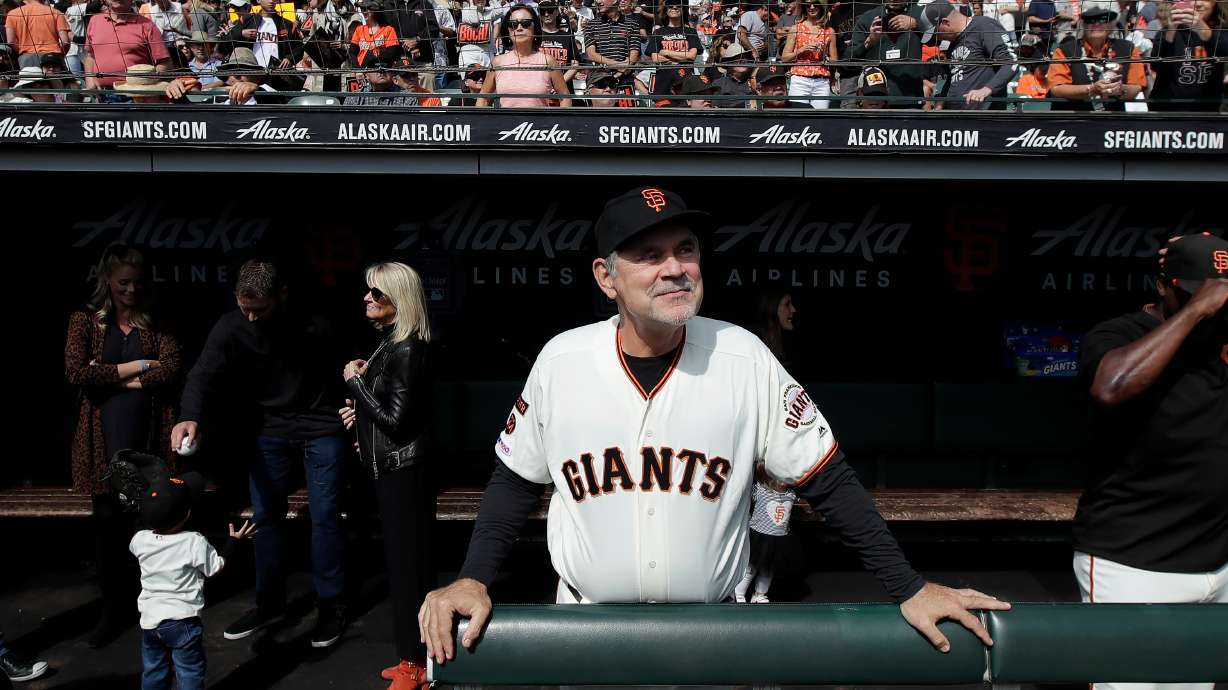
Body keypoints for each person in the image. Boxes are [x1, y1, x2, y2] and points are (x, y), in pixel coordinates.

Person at [417, 186, 1011, 666]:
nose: (675, 269)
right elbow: (516, 482)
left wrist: (908, 587)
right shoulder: (561, 360)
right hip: (586, 628)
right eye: (649, 256)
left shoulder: (743, 354)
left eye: (685, 249)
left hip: (716, 632)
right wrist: (472, 577)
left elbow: (825, 478)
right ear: (606, 278)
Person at [170, 259, 349, 650]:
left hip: (320, 427)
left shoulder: (314, 323)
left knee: (324, 519)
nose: (251, 316)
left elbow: (346, 368)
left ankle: (330, 606)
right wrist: (188, 417)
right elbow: (201, 374)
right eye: (244, 306)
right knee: (266, 517)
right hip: (269, 431)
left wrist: (352, 409)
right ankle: (269, 603)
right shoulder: (231, 326)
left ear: (281, 295)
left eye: (260, 308)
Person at [1077, 233, 1228, 690]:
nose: (1215, 300)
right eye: (1196, 288)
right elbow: (1112, 385)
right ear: (1163, 285)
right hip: (1135, 565)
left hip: (1217, 564)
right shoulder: (1120, 333)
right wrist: (1195, 310)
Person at [65, 244, 182, 649]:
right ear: (108, 282)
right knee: (108, 531)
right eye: (123, 284)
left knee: (150, 527)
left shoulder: (156, 321)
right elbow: (77, 372)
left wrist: (112, 376)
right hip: (103, 444)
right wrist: (139, 365)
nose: (130, 290)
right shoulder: (86, 321)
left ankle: (153, 611)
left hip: (147, 441)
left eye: (136, 282)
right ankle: (113, 612)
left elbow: (171, 368)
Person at [337, 264, 436, 690]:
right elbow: (385, 414)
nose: (367, 299)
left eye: (376, 293)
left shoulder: (407, 348)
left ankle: (418, 665)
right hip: (393, 470)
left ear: (398, 299)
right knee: (402, 569)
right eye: (367, 292)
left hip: (405, 474)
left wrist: (356, 386)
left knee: (409, 571)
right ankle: (412, 659)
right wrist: (357, 414)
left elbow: (396, 421)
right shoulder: (389, 344)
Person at [131, 470, 254, 690]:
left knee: (154, 670)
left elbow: (143, 531)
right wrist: (233, 542)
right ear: (187, 514)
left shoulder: (139, 540)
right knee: (189, 671)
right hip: (182, 620)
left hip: (150, 621)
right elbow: (215, 568)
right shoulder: (194, 542)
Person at [920, 0, 1016, 109]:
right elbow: (952, 77)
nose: (937, 39)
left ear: (946, 22)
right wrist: (940, 104)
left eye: (936, 33)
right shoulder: (952, 42)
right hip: (956, 118)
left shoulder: (984, 26)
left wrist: (986, 90)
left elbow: (1011, 63)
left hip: (983, 118)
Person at [1046, 7, 1145, 109]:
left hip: (1113, 119)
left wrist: (1120, 89)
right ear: (1083, 25)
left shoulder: (1128, 49)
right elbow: (1056, 88)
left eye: (1103, 20)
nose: (1096, 24)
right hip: (1074, 119)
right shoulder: (1065, 50)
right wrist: (1091, 89)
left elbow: (1136, 87)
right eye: (1090, 20)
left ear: (1111, 25)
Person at [478, 4, 572, 106]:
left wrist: (559, 121)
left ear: (535, 28)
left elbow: (565, 97)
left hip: (540, 122)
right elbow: (483, 98)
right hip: (507, 122)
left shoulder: (548, 61)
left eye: (525, 23)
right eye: (513, 24)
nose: (519, 28)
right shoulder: (497, 63)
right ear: (507, 30)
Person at [1149, 0, 1228, 111]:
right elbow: (1156, 65)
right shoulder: (1167, 32)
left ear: (1215, 3)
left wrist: (1204, 30)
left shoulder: (1222, 30)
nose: (1199, 3)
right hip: (1167, 111)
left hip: (1207, 114)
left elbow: (1224, 51)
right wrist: (1171, 30)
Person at [734, 463, 797, 603]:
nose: (782, 482)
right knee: (751, 565)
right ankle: (739, 592)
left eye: (787, 478)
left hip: (779, 537)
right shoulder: (761, 490)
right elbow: (745, 490)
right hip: (758, 535)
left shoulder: (791, 495)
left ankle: (759, 594)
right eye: (779, 477)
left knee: (768, 568)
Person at [845, 0, 925, 107]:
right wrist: (869, 41)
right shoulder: (868, 18)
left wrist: (916, 24)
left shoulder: (920, 12)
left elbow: (944, 37)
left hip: (910, 99)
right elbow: (846, 61)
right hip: (875, 100)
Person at [83, 0, 173, 91]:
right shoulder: (94, 21)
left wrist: (148, 85)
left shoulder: (147, 25)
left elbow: (165, 62)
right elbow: (90, 57)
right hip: (102, 95)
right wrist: (90, 82)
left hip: (136, 96)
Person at [781, 0, 836, 107]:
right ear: (804, 8)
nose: (811, 7)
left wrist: (826, 56)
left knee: (820, 119)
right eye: (808, 5)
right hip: (799, 79)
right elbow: (784, 58)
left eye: (815, 4)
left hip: (821, 81)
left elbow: (835, 60)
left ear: (821, 7)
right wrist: (801, 50)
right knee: (798, 118)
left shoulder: (829, 31)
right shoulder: (796, 29)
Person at [224, 0, 302, 70]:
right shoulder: (247, 20)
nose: (271, 1)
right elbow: (225, 43)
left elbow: (299, 47)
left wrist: (290, 58)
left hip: (275, 72)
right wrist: (241, 33)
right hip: (250, 71)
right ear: (258, 1)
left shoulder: (286, 24)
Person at [647, 0, 701, 100]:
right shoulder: (658, 32)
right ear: (666, 10)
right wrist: (682, 58)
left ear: (683, 10)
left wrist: (666, 52)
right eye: (670, 6)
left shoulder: (691, 31)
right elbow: (656, 58)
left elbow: (692, 56)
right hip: (663, 83)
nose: (674, 8)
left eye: (678, 6)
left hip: (684, 81)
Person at [5, 0, 71, 68]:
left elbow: (11, 41)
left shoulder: (13, 14)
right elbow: (65, 42)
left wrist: (23, 51)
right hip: (53, 58)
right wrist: (60, 55)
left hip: (27, 59)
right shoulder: (55, 12)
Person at [583, 0, 641, 72]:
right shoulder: (591, 25)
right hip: (600, 75)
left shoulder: (632, 24)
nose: (598, 1)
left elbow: (634, 53)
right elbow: (591, 54)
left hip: (625, 75)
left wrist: (623, 70)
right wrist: (617, 65)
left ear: (615, 1)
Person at [350, 0, 399, 65]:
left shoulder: (388, 30)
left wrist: (373, 56)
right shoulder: (359, 29)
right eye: (362, 9)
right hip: (362, 70)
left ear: (375, 10)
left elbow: (392, 53)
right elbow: (352, 52)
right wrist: (357, 70)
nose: (363, 11)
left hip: (382, 68)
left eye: (366, 9)